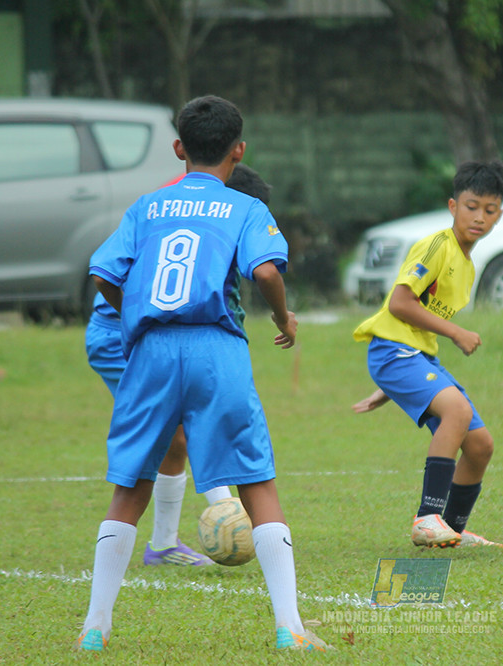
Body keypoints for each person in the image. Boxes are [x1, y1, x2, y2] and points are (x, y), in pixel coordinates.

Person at [76, 95, 328, 652]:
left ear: (178, 148)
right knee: (257, 483)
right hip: (217, 348)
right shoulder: (243, 206)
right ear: (239, 150)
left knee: (129, 489)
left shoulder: (147, 206)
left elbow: (102, 273)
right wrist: (283, 316)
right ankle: (290, 628)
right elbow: (264, 269)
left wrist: (135, 314)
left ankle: (94, 629)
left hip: (151, 352)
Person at [84, 164, 272, 568]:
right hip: (128, 334)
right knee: (180, 434)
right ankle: (225, 519)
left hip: (161, 338)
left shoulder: (176, 204)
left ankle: (164, 544)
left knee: (178, 438)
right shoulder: (172, 211)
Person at [351, 160, 503, 549]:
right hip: (394, 351)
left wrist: (392, 388)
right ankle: (427, 518)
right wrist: (456, 332)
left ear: (499, 216)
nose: (479, 217)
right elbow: (400, 305)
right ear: (453, 206)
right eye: (471, 206)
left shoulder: (468, 264)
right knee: (455, 411)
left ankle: (452, 530)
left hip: (412, 358)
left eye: (489, 211)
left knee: (480, 445)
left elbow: (419, 324)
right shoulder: (437, 246)